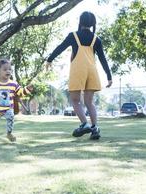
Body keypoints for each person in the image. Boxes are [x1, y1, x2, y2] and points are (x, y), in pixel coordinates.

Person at [45, 11, 113, 140]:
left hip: (78, 70)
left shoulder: (73, 36)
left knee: (75, 100)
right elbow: (103, 59)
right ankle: (95, 128)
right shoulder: (96, 39)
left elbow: (60, 48)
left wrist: (49, 59)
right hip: (92, 71)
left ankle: (84, 124)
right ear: (93, 23)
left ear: (80, 22)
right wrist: (109, 76)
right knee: (89, 102)